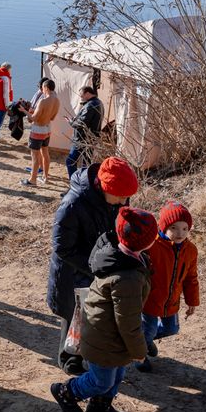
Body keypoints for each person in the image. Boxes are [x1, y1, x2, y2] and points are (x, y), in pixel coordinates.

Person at [51, 207, 157, 412]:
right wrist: (139, 351)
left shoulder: (123, 256)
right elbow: (128, 322)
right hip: (104, 338)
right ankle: (66, 392)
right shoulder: (126, 278)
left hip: (111, 336)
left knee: (117, 375)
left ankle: (100, 407)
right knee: (101, 381)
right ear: (145, 242)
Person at [48, 156, 139, 376]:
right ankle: (69, 359)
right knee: (73, 317)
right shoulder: (73, 204)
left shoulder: (116, 197)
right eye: (120, 197)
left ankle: (89, 353)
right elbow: (62, 247)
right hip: (72, 272)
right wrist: (97, 266)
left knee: (94, 315)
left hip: (99, 268)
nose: (124, 201)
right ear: (105, 187)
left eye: (127, 197)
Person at [136, 201, 200, 373]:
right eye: (174, 228)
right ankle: (139, 357)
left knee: (172, 328)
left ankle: (142, 342)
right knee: (148, 331)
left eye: (185, 229)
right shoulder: (151, 246)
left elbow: (191, 278)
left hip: (171, 302)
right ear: (163, 227)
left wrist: (192, 301)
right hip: (149, 301)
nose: (180, 233)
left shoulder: (191, 250)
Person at [21, 79, 60, 186]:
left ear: (46, 88)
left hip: (38, 130)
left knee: (35, 156)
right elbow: (52, 117)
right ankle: (45, 177)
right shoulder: (57, 100)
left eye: (42, 87)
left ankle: (32, 180)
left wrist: (24, 111)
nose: (42, 89)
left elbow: (33, 118)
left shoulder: (43, 101)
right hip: (47, 129)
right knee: (45, 153)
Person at [67, 86, 104, 180]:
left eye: (82, 95)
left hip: (82, 139)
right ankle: (83, 185)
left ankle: (74, 184)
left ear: (87, 93)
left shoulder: (90, 105)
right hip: (90, 139)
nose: (81, 97)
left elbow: (81, 124)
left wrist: (71, 122)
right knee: (85, 165)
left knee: (70, 162)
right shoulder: (98, 102)